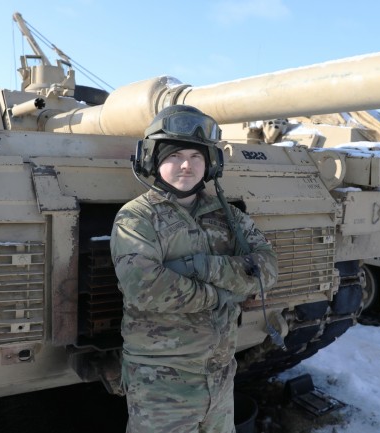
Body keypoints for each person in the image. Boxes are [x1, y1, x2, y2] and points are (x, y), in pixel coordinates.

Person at [110, 104, 278, 433]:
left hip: (220, 375)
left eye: (196, 156)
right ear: (154, 160)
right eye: (174, 156)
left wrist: (199, 266)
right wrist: (221, 296)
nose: (186, 165)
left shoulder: (229, 216)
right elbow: (145, 287)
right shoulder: (137, 218)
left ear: (211, 164)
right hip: (162, 382)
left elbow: (267, 269)